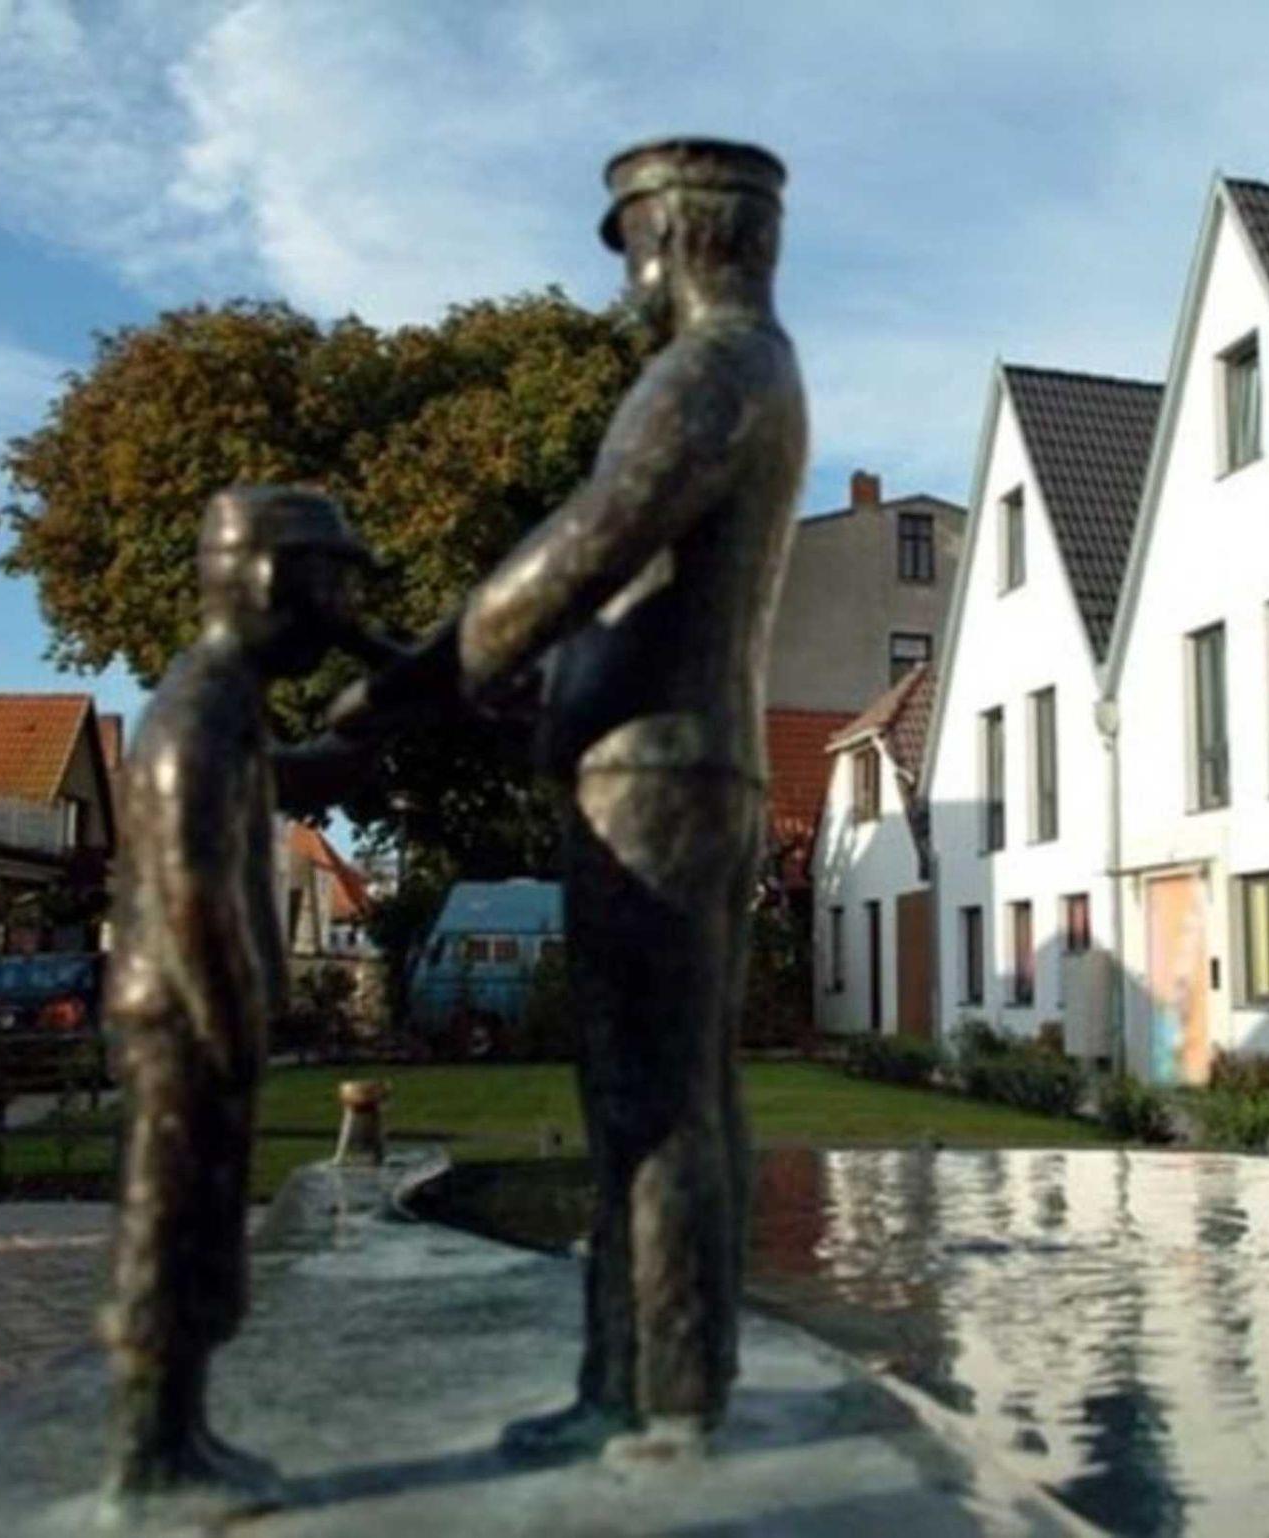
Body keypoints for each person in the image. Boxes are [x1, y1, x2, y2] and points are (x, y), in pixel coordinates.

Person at [329, 137, 806, 1455]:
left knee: (651, 1092)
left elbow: (587, 543)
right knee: (655, 1088)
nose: (628, 270)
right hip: (661, 757)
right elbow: (629, 593)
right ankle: (641, 1377)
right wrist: (529, 692)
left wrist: (418, 683)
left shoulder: (712, 368)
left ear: (681, 231)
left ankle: (658, 1395)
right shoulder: (744, 369)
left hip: (659, 772)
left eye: (633, 239)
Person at [100, 487, 378, 1505]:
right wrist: (236, 1027)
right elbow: (192, 897)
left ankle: (180, 1433)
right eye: (331, 586)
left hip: (196, 1013)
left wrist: (362, 743)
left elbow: (277, 778)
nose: (342, 610)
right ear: (268, 581)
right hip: (186, 1016)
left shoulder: (227, 703)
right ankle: (151, 1454)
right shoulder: (201, 710)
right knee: (172, 1221)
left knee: (202, 1222)